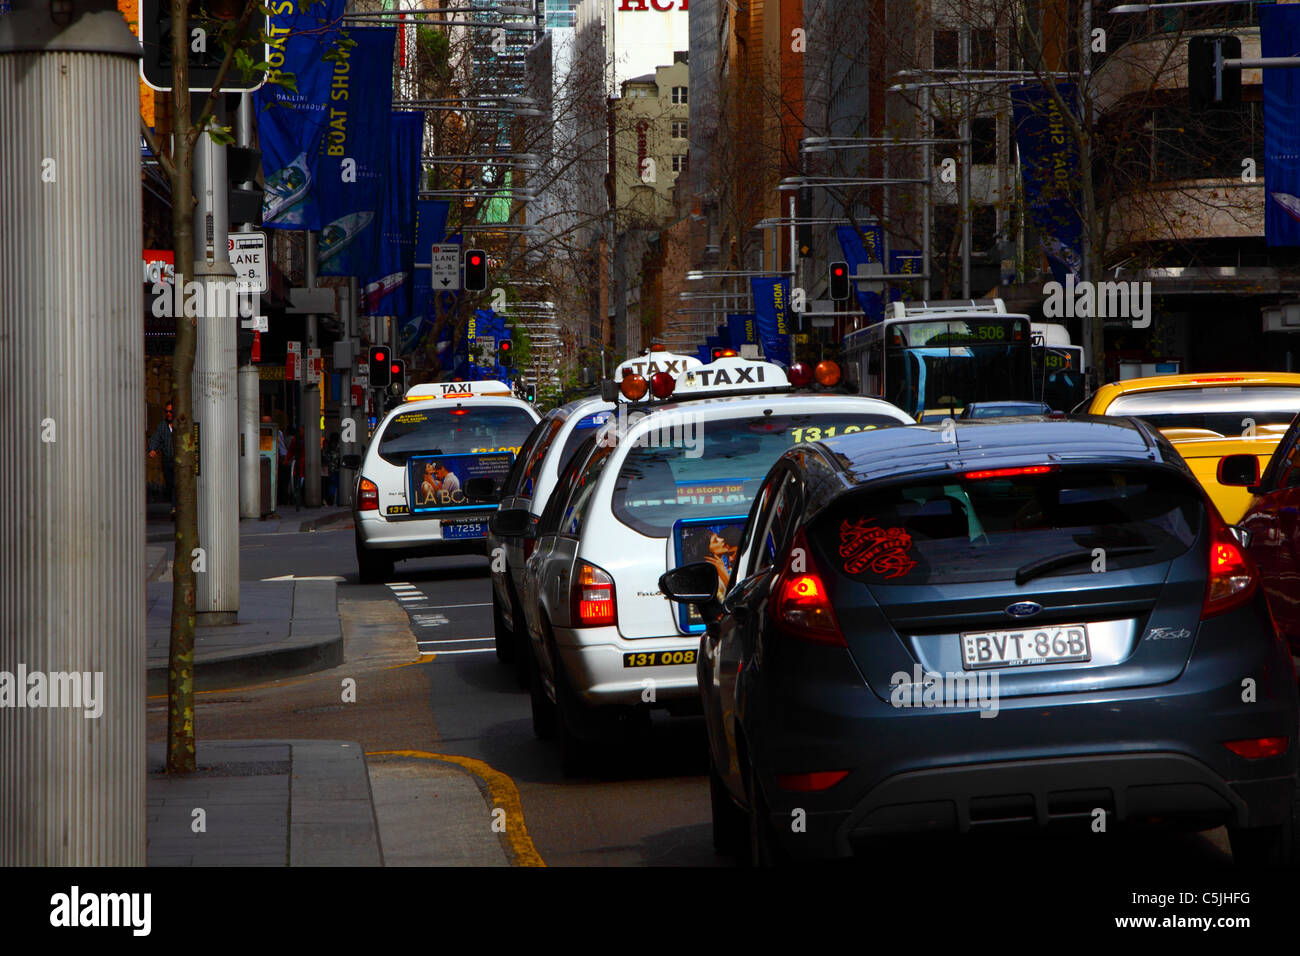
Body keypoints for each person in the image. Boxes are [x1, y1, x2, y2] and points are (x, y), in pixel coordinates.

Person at [148, 402, 175, 516]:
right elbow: (156, 437)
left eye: (170, 412)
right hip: (167, 460)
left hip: (178, 462)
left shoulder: (180, 425)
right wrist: (152, 449)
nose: (168, 414)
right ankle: (174, 504)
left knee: (176, 484)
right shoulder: (163, 426)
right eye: (166, 411)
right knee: (170, 484)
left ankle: (175, 506)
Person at [324, 432, 341, 506]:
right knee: (338, 484)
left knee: (332, 484)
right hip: (338, 468)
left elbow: (326, 457)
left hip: (331, 468)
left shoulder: (329, 447)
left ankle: (331, 498)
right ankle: (338, 501)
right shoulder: (339, 447)